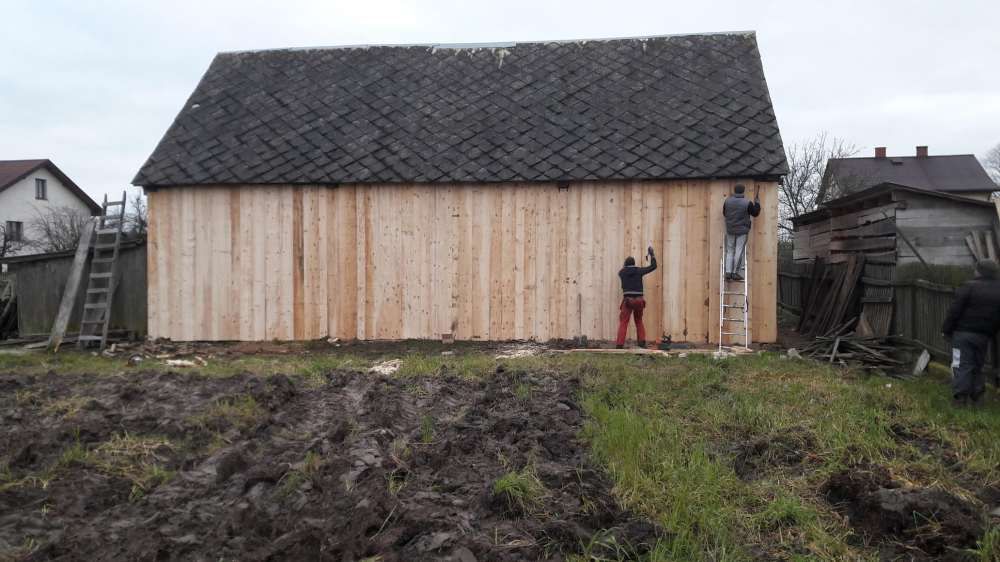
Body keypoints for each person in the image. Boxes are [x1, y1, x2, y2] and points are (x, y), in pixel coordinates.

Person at [941, 259, 1000, 406]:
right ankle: (978, 397)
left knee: (961, 365)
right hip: (984, 336)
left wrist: (946, 330)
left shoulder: (969, 287)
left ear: (978, 271)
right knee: (978, 365)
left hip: (963, 334)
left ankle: (960, 399)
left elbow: (954, 311)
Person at [616, 246, 657, 349]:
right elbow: (653, 266)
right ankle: (642, 343)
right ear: (634, 264)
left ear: (625, 264)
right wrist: (652, 255)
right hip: (639, 300)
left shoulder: (621, 272)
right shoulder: (639, 271)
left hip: (628, 301)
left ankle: (619, 345)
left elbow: (623, 270)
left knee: (624, 322)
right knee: (638, 321)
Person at [723, 184, 761, 281]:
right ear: (743, 191)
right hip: (742, 230)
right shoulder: (747, 202)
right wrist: (757, 204)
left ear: (734, 190)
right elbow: (755, 213)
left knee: (730, 250)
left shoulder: (727, 201)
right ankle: (735, 272)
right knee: (739, 250)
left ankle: (728, 272)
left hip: (730, 229)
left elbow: (724, 213)